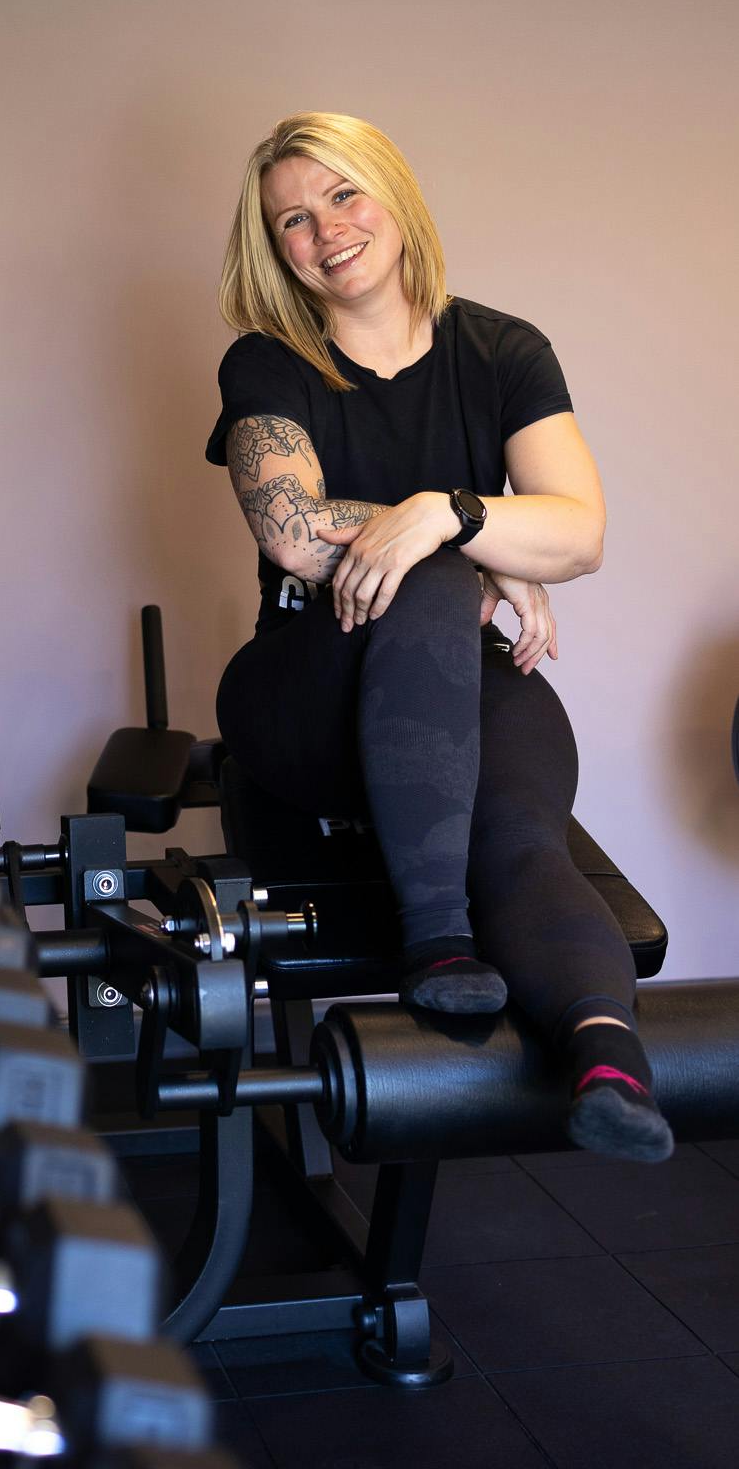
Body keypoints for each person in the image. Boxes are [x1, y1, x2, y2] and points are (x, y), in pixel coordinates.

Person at [207, 111, 673, 1163]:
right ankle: (436, 936)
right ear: (273, 249)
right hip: (305, 693)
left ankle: (608, 1055)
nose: (324, 230)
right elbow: (289, 532)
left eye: (342, 195)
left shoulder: (502, 349)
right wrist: (468, 541)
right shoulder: (269, 363)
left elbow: (582, 528)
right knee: (432, 587)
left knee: (520, 829)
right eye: (292, 219)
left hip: (455, 682)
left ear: (393, 195)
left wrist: (448, 512)